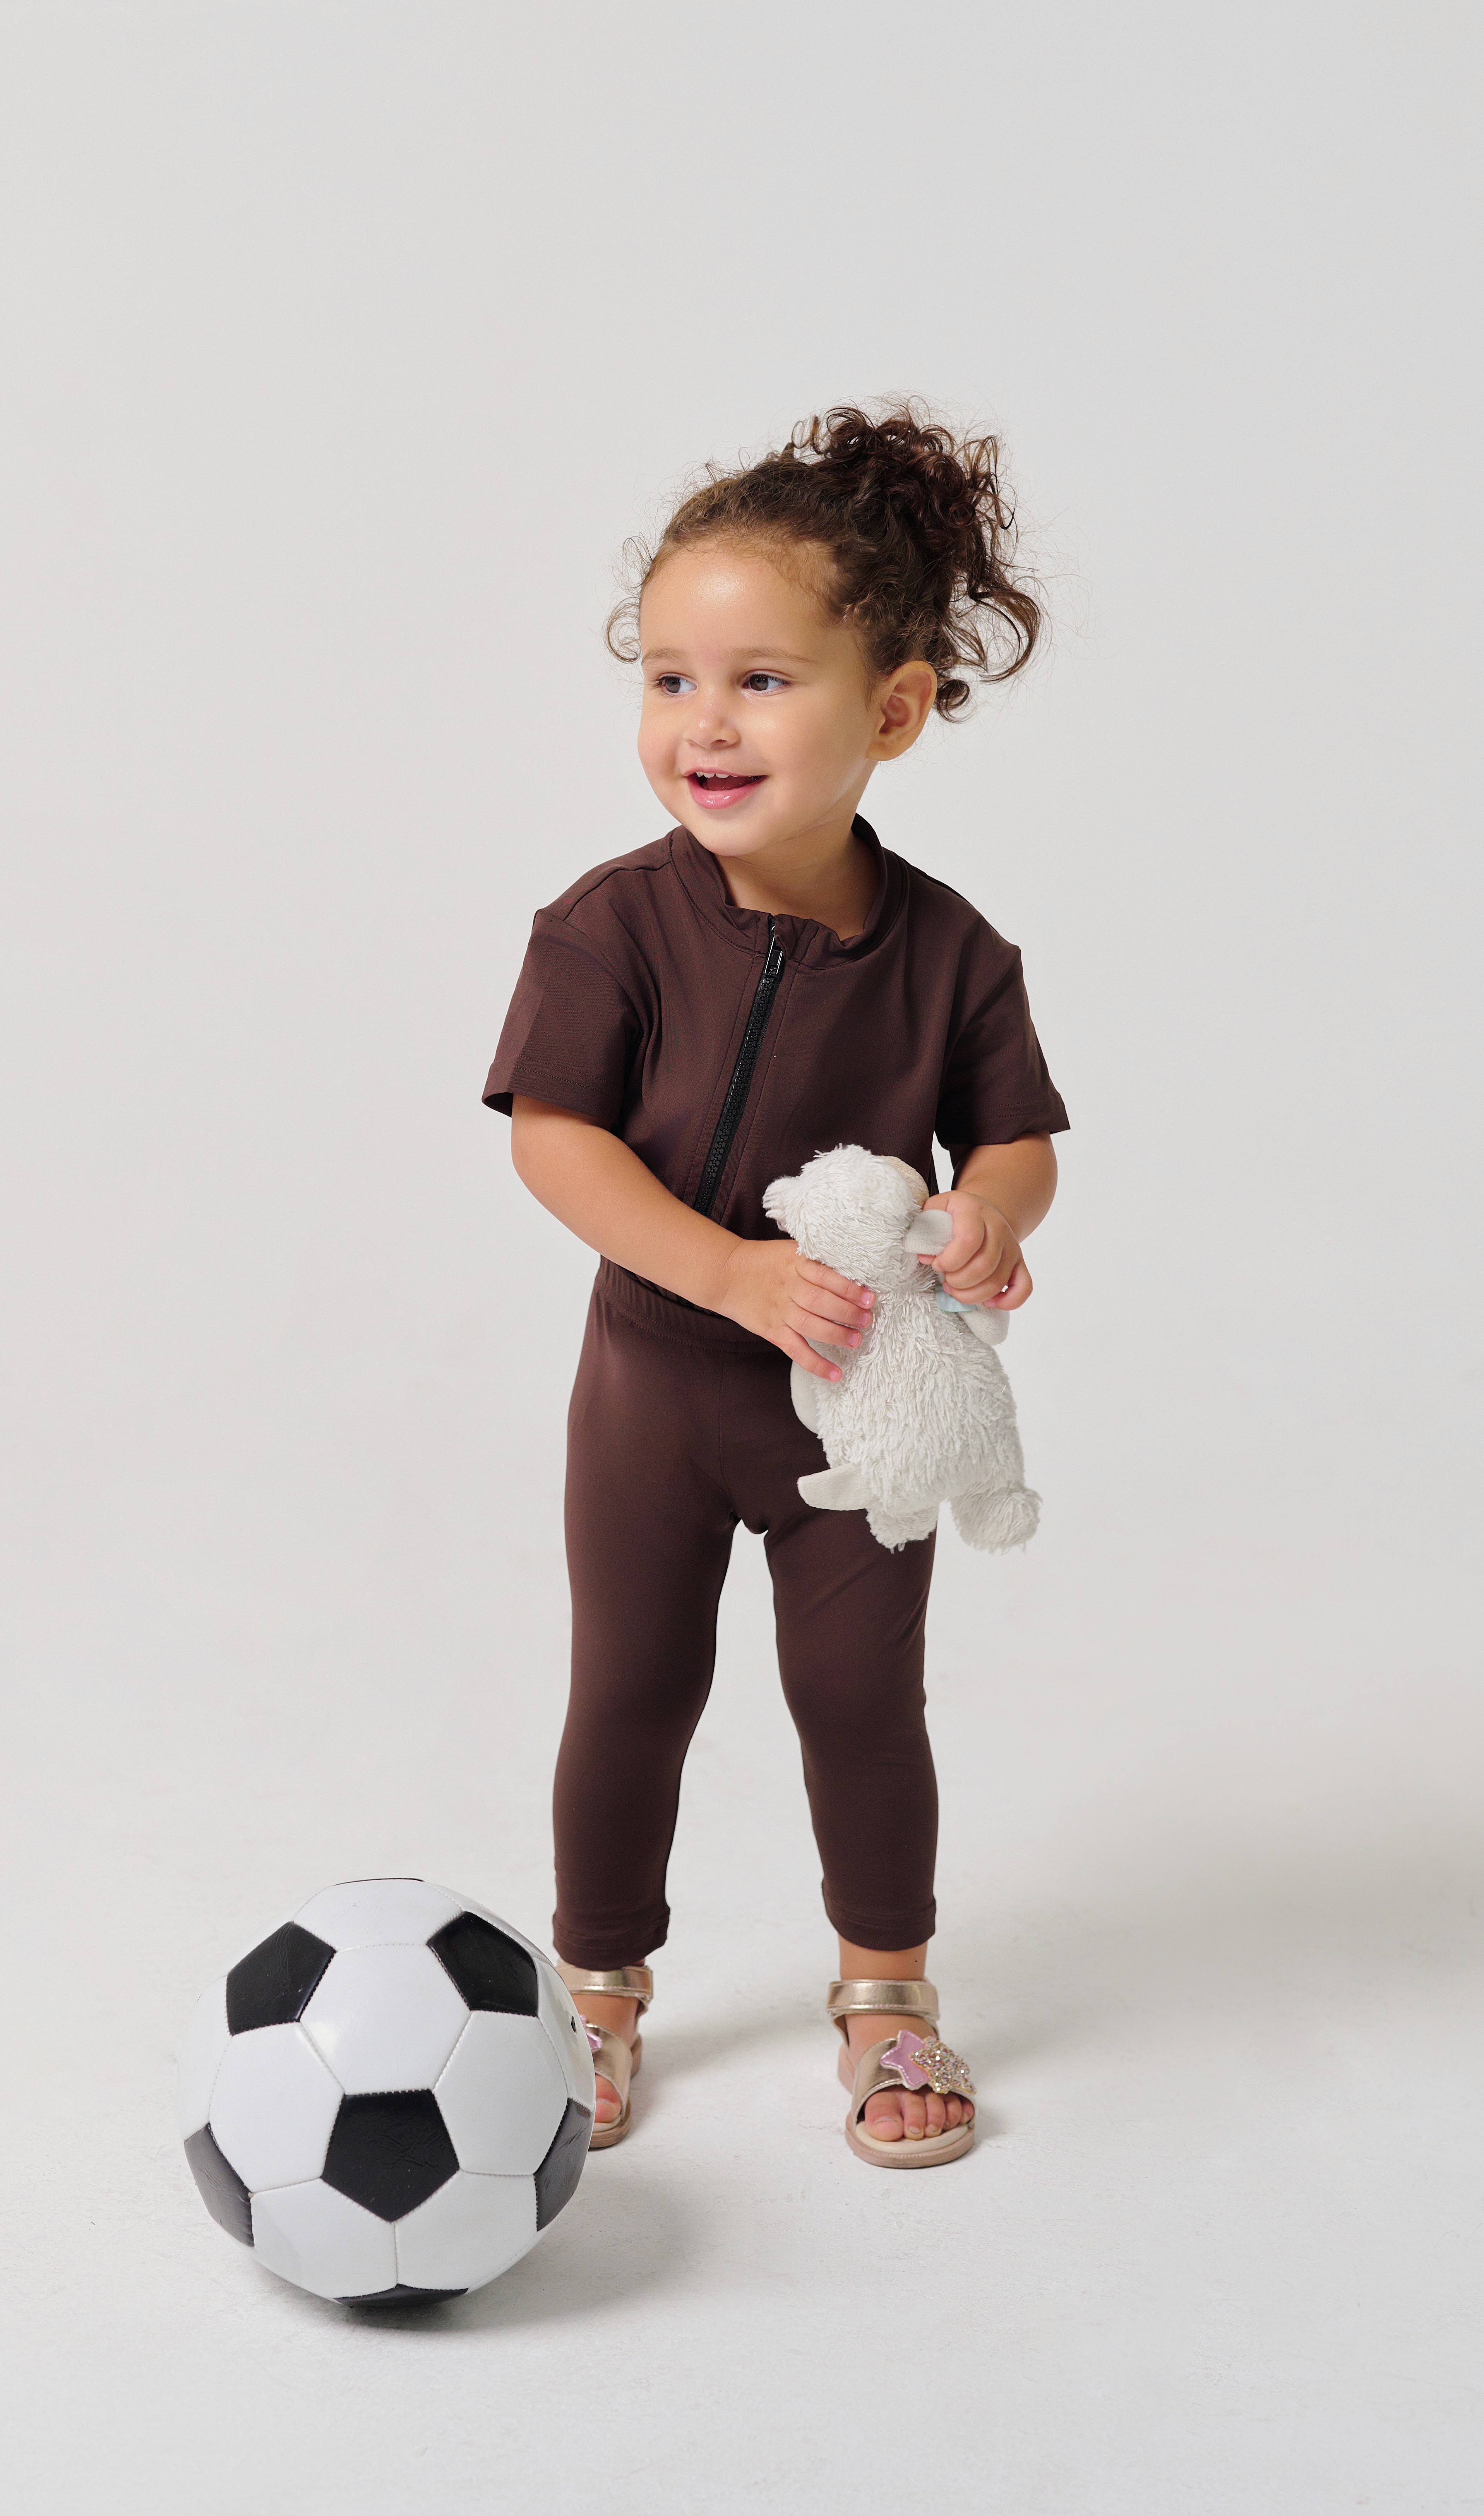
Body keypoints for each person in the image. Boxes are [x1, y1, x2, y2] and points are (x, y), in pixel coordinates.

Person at [483, 403, 1068, 2167]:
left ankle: (886, 1994)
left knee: (860, 1701)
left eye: (757, 680)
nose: (701, 722)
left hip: (858, 1415)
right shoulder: (609, 928)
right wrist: (726, 1272)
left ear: (891, 708)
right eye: (667, 679)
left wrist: (993, 1216)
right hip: (658, 1399)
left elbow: (1021, 1138)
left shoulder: (954, 951)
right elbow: (556, 1143)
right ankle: (595, 1986)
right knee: (632, 1691)